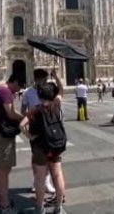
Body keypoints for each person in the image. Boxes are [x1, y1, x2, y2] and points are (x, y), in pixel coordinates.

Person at [19, 82, 67, 214]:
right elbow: (61, 91)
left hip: (40, 147)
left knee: (40, 178)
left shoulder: (35, 109)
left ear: (40, 96)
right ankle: (58, 207)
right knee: (58, 176)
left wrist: (30, 137)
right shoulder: (56, 105)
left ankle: (40, 208)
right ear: (52, 95)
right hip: (55, 145)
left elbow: (22, 126)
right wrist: (56, 78)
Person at [0, 74, 24, 214]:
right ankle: (5, 206)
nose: (18, 90)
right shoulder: (5, 91)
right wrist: (25, 117)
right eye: (19, 86)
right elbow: (11, 113)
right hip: (3, 136)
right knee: (4, 171)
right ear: (14, 82)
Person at [21, 69, 56, 195]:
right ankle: (37, 180)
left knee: (49, 155)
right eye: (44, 79)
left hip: (49, 127)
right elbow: (23, 110)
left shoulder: (48, 90)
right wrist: (30, 118)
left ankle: (46, 181)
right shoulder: (28, 92)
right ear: (37, 79)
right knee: (36, 156)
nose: (46, 81)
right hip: (35, 128)